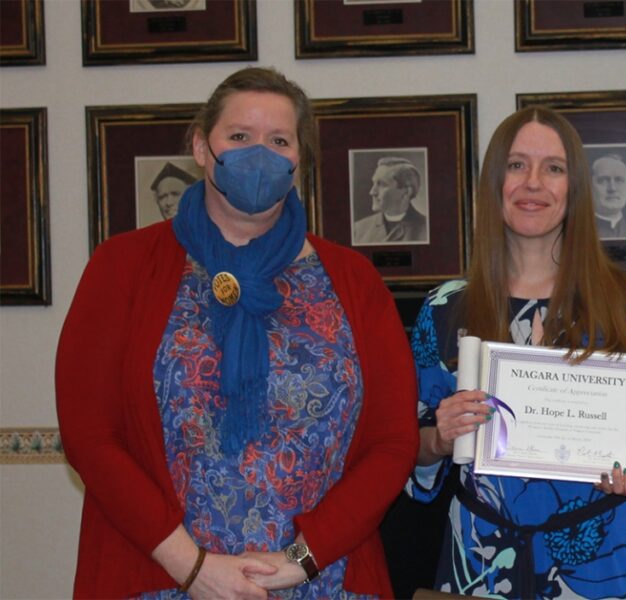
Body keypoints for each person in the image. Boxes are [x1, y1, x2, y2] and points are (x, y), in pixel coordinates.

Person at [56, 67, 418, 599]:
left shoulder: (355, 282)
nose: (260, 154)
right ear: (202, 146)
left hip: (321, 580)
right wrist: (194, 566)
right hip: (161, 578)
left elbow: (391, 444)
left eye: (279, 141)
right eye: (240, 137)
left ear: (300, 158)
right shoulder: (123, 267)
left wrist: (299, 560)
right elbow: (91, 435)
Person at [407, 107, 626, 598]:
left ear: (575, 187)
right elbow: (406, 446)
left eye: (554, 168)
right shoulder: (446, 306)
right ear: (494, 182)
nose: (534, 184)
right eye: (517, 165)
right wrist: (440, 437)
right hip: (480, 564)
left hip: (604, 567)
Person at [352, 157, 428, 244]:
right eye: (374, 183)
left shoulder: (427, 229)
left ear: (406, 192)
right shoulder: (357, 229)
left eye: (382, 184)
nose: (372, 192)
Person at [591, 153, 626, 240]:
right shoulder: (577, 234)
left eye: (619, 180)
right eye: (603, 180)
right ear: (590, 187)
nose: (612, 188)